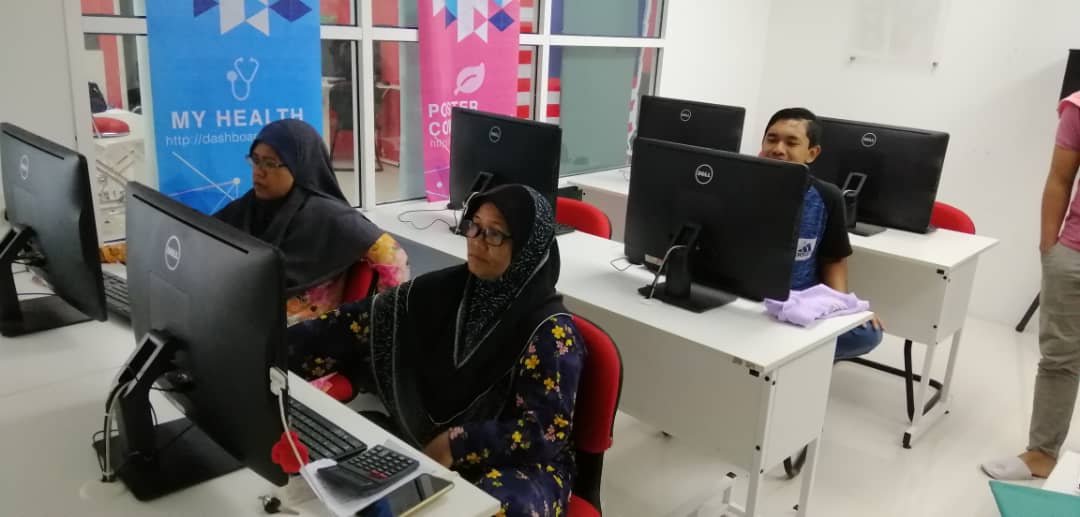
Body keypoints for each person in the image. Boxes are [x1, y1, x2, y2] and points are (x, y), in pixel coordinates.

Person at [287, 184, 584, 517]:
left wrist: (457, 442)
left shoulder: (551, 333)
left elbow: (544, 432)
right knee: (336, 462)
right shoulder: (448, 290)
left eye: (494, 234)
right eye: (473, 226)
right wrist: (272, 354)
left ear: (527, 248)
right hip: (427, 444)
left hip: (519, 460)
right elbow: (356, 323)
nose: (476, 240)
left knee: (499, 507)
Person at [215, 119, 408, 327]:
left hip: (301, 338)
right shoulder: (248, 208)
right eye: (255, 160)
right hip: (249, 324)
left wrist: (375, 329)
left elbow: (394, 259)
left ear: (299, 167)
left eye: (270, 163)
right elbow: (208, 237)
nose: (258, 171)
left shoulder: (329, 215)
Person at [982, 91, 1080, 480]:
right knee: (1060, 358)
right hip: (1073, 256)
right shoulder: (1079, 108)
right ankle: (1042, 453)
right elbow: (1060, 178)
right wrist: (1049, 247)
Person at [759, 108, 884, 359]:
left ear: (812, 153)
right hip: (747, 300)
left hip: (800, 301)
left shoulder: (828, 197)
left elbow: (833, 259)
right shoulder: (737, 186)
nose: (778, 149)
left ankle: (786, 350)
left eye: (791, 142)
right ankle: (789, 351)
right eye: (772, 139)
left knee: (867, 333)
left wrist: (840, 308)